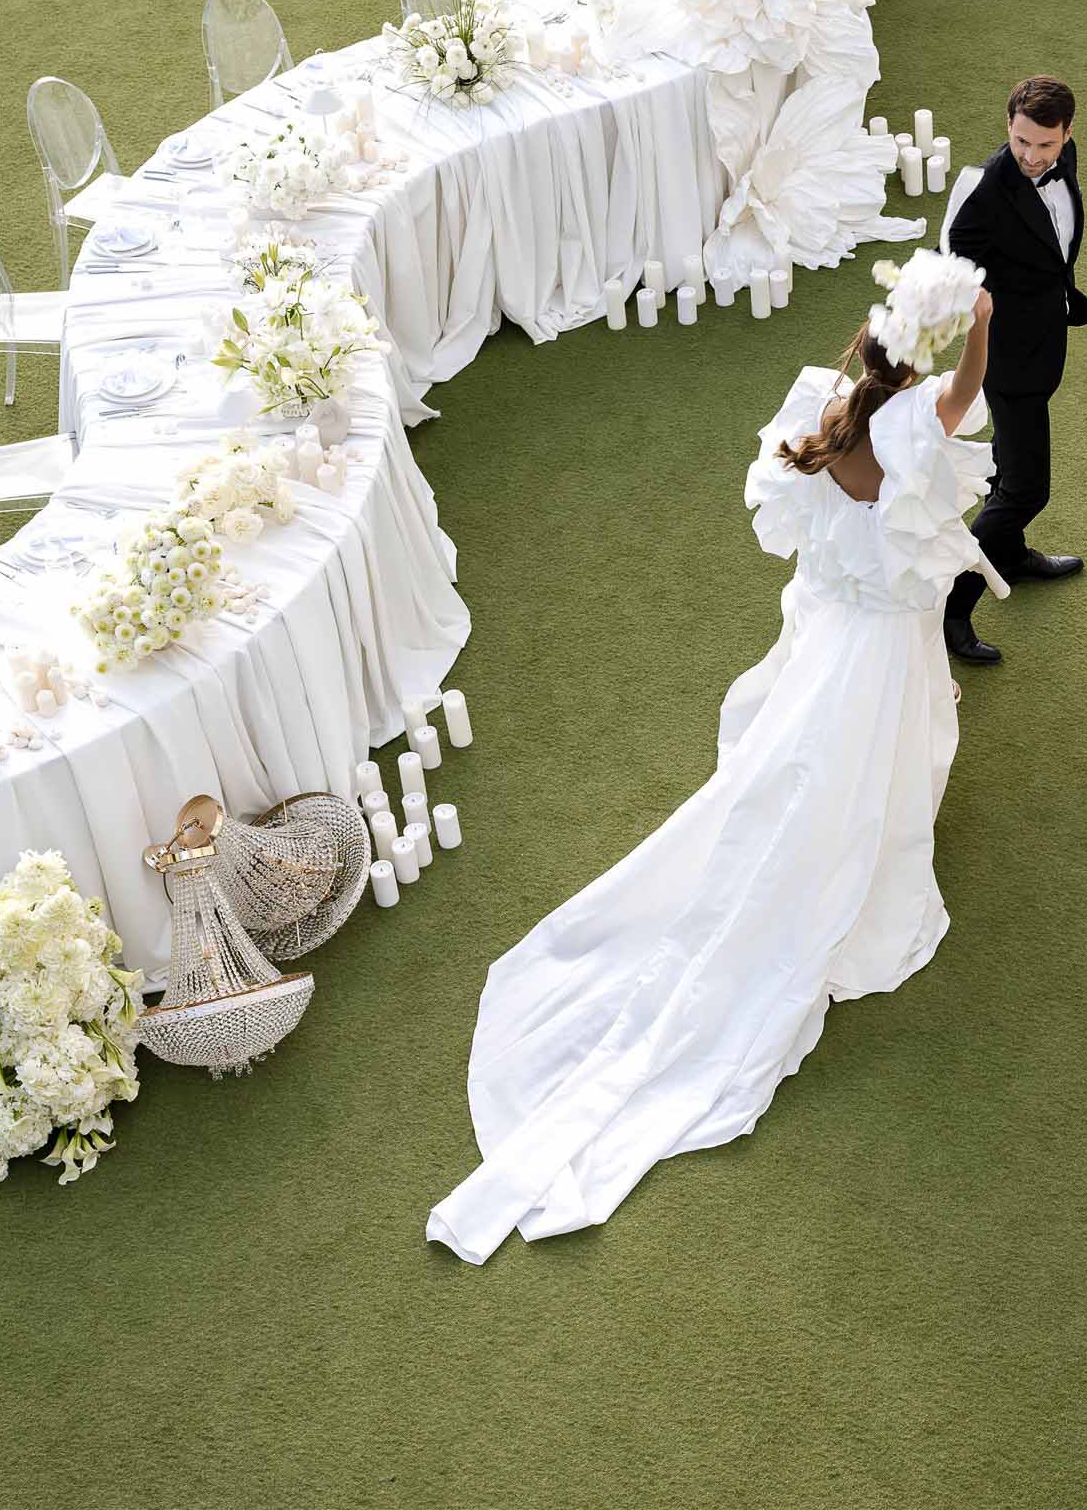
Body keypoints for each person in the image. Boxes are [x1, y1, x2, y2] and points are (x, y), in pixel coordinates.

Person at [427, 254, 1005, 1265]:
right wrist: (987, 323)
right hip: (872, 644)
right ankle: (839, 862)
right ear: (912, 364)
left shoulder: (822, 405)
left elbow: (806, 522)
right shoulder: (914, 426)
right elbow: (964, 396)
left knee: (799, 750)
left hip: (833, 623)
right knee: (857, 763)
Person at [941, 75, 1087, 665]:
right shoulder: (984, 195)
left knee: (1009, 469)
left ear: (1067, 136)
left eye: (1046, 147)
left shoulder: (1064, 158)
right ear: (1007, 125)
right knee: (1026, 488)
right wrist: (977, 302)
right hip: (1008, 358)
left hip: (1043, 336)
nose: (1033, 158)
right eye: (1022, 141)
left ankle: (1009, 554)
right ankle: (952, 607)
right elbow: (956, 267)